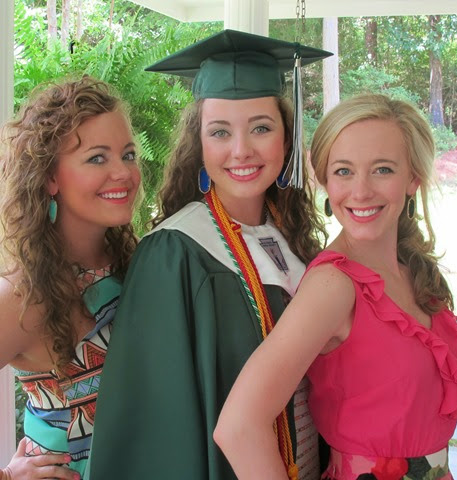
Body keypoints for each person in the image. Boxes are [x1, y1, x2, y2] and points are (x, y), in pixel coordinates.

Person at [87, 29, 332, 480]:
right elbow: (156, 428)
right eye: (220, 132)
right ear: (199, 144)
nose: (241, 150)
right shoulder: (173, 255)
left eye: (261, 127)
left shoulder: (293, 237)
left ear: (287, 137)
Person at [214, 93, 457, 479]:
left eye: (382, 170)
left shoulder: (415, 274)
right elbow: (238, 427)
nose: (360, 191)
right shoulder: (333, 285)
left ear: (413, 178)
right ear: (327, 182)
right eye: (344, 171)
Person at [0, 76, 141, 480]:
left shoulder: (136, 263)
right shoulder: (22, 296)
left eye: (128, 155)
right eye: (97, 158)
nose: (123, 172)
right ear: (49, 177)